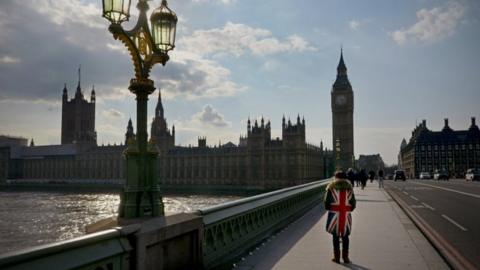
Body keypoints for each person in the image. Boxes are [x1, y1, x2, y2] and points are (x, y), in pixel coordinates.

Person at [324, 170, 356, 264]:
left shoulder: (331, 188)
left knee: (335, 235)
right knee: (345, 236)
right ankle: (346, 257)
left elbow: (326, 201)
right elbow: (353, 203)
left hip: (334, 214)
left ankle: (336, 257)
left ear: (335, 177)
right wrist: (350, 209)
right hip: (345, 214)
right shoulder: (349, 188)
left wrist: (329, 208)